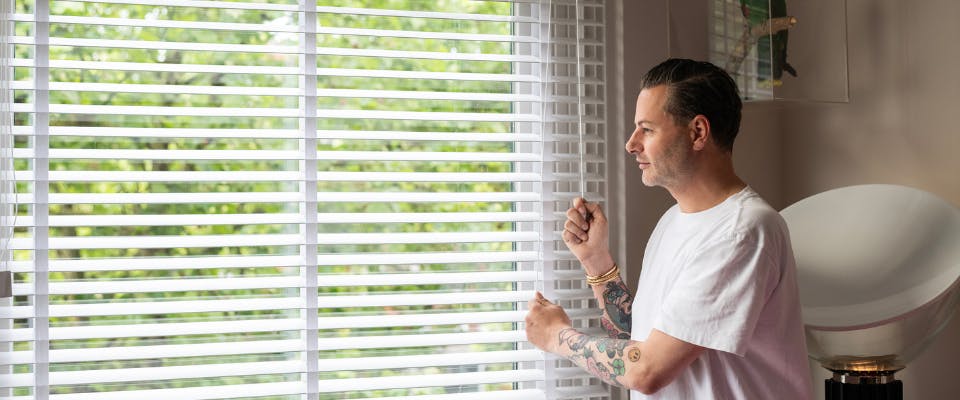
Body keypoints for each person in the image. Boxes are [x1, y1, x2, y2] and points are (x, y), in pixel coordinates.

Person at [524, 58, 813, 399]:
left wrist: (557, 336)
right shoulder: (673, 220)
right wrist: (597, 262)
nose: (631, 143)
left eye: (646, 129)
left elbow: (647, 370)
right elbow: (641, 343)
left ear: (698, 132)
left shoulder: (743, 232)